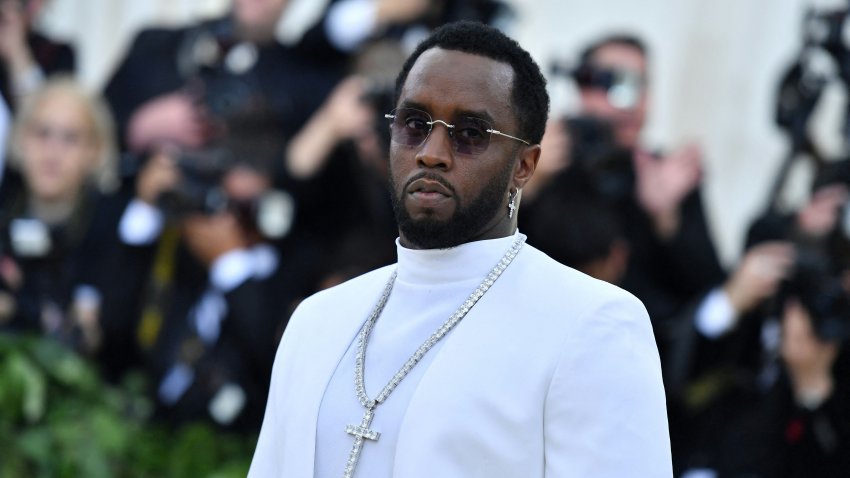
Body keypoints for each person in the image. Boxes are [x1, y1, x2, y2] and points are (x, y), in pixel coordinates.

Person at [249, 21, 672, 477]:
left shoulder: (591, 323)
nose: (432, 152)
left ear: (524, 166)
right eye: (414, 124)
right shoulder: (317, 321)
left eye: (470, 133)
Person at [0, 76, 118, 355]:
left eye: (70, 138)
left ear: (95, 151)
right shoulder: (4, 211)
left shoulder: (110, 230)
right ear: (20, 139)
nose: (52, 153)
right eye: (42, 133)